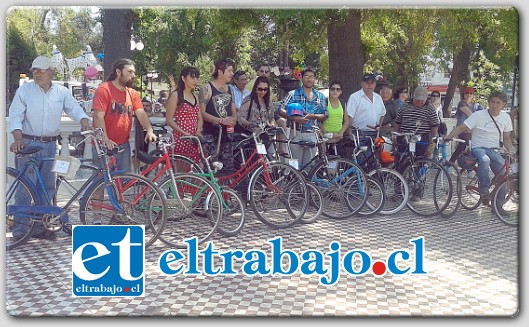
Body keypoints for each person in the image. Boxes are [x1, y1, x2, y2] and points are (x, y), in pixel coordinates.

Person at [8, 55, 91, 241]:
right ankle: (21, 232)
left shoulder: (61, 92)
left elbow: (73, 108)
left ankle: (40, 227)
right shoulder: (24, 92)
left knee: (47, 187)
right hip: (28, 144)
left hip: (51, 145)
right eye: (34, 70)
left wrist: (84, 119)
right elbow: (15, 116)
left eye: (41, 70)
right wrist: (18, 138)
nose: (37, 74)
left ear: (51, 72)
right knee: (25, 189)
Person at [445, 91, 514, 204]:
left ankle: (498, 207)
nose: (494, 105)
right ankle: (484, 190)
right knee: (484, 159)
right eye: (492, 102)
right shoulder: (479, 115)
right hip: (478, 148)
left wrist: (511, 151)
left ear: (503, 104)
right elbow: (462, 127)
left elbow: (506, 138)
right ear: (488, 102)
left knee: (505, 177)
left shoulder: (505, 117)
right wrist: (448, 137)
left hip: (495, 150)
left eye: (498, 102)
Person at [92, 58, 157, 172]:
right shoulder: (104, 90)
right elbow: (98, 116)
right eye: (130, 72)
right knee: (100, 182)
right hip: (104, 145)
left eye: (134, 72)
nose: (133, 75)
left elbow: (141, 114)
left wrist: (149, 129)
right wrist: (105, 139)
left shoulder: (132, 93)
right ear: (118, 72)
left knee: (123, 182)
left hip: (123, 145)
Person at [277, 66, 328, 167]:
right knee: (294, 166)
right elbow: (280, 109)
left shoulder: (320, 96)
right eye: (306, 76)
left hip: (312, 134)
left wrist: (312, 116)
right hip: (296, 133)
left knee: (309, 167)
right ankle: (294, 182)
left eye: (311, 77)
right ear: (302, 78)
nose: (309, 79)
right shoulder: (293, 94)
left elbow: (325, 115)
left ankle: (307, 183)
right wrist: (294, 118)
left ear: (315, 79)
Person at [198, 59, 238, 169]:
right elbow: (202, 113)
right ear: (220, 72)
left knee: (227, 167)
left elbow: (233, 108)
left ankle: (224, 186)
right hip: (210, 133)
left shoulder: (230, 89)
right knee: (210, 167)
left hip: (227, 134)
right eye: (229, 71)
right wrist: (221, 120)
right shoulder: (207, 88)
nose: (232, 74)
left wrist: (234, 118)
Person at [165, 66, 203, 166]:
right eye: (192, 77)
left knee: (199, 171)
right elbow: (169, 119)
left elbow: (199, 118)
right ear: (183, 78)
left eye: (196, 78)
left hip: (194, 139)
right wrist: (184, 133)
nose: (195, 80)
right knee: (181, 172)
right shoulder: (176, 95)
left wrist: (198, 131)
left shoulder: (195, 95)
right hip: (181, 139)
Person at [346, 73, 386, 164]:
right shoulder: (355, 97)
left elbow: (383, 113)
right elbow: (349, 116)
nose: (369, 85)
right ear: (362, 84)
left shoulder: (378, 98)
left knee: (374, 162)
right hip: (360, 134)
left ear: (375, 84)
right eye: (367, 82)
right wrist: (350, 134)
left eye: (372, 82)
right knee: (361, 162)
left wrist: (378, 128)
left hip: (375, 135)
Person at [393, 86, 439, 158]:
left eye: (422, 100)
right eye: (418, 100)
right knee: (402, 160)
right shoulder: (404, 106)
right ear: (413, 97)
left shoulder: (430, 109)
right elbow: (397, 122)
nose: (420, 102)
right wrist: (395, 136)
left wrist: (432, 144)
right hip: (404, 138)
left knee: (419, 162)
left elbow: (434, 127)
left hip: (422, 139)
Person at [449, 86, 484, 163]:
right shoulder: (462, 103)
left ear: (473, 95)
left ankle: (468, 168)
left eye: (471, 93)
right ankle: (450, 164)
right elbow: (472, 116)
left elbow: (483, 118)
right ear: (464, 95)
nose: (469, 95)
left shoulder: (478, 106)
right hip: (462, 130)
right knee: (463, 146)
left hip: (474, 131)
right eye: (467, 93)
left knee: (472, 149)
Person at [321, 80, 349, 147]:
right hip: (325, 138)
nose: (335, 91)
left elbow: (347, 120)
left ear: (341, 92)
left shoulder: (342, 103)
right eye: (332, 89)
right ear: (329, 90)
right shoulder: (324, 102)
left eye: (338, 89)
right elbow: (318, 120)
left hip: (339, 138)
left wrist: (341, 133)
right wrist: (326, 133)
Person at [429, 90, 447, 158]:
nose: (435, 97)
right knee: (433, 145)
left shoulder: (439, 106)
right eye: (433, 96)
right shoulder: (428, 106)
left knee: (442, 145)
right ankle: (432, 161)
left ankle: (443, 162)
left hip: (441, 128)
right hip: (432, 128)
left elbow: (441, 118)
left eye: (437, 96)